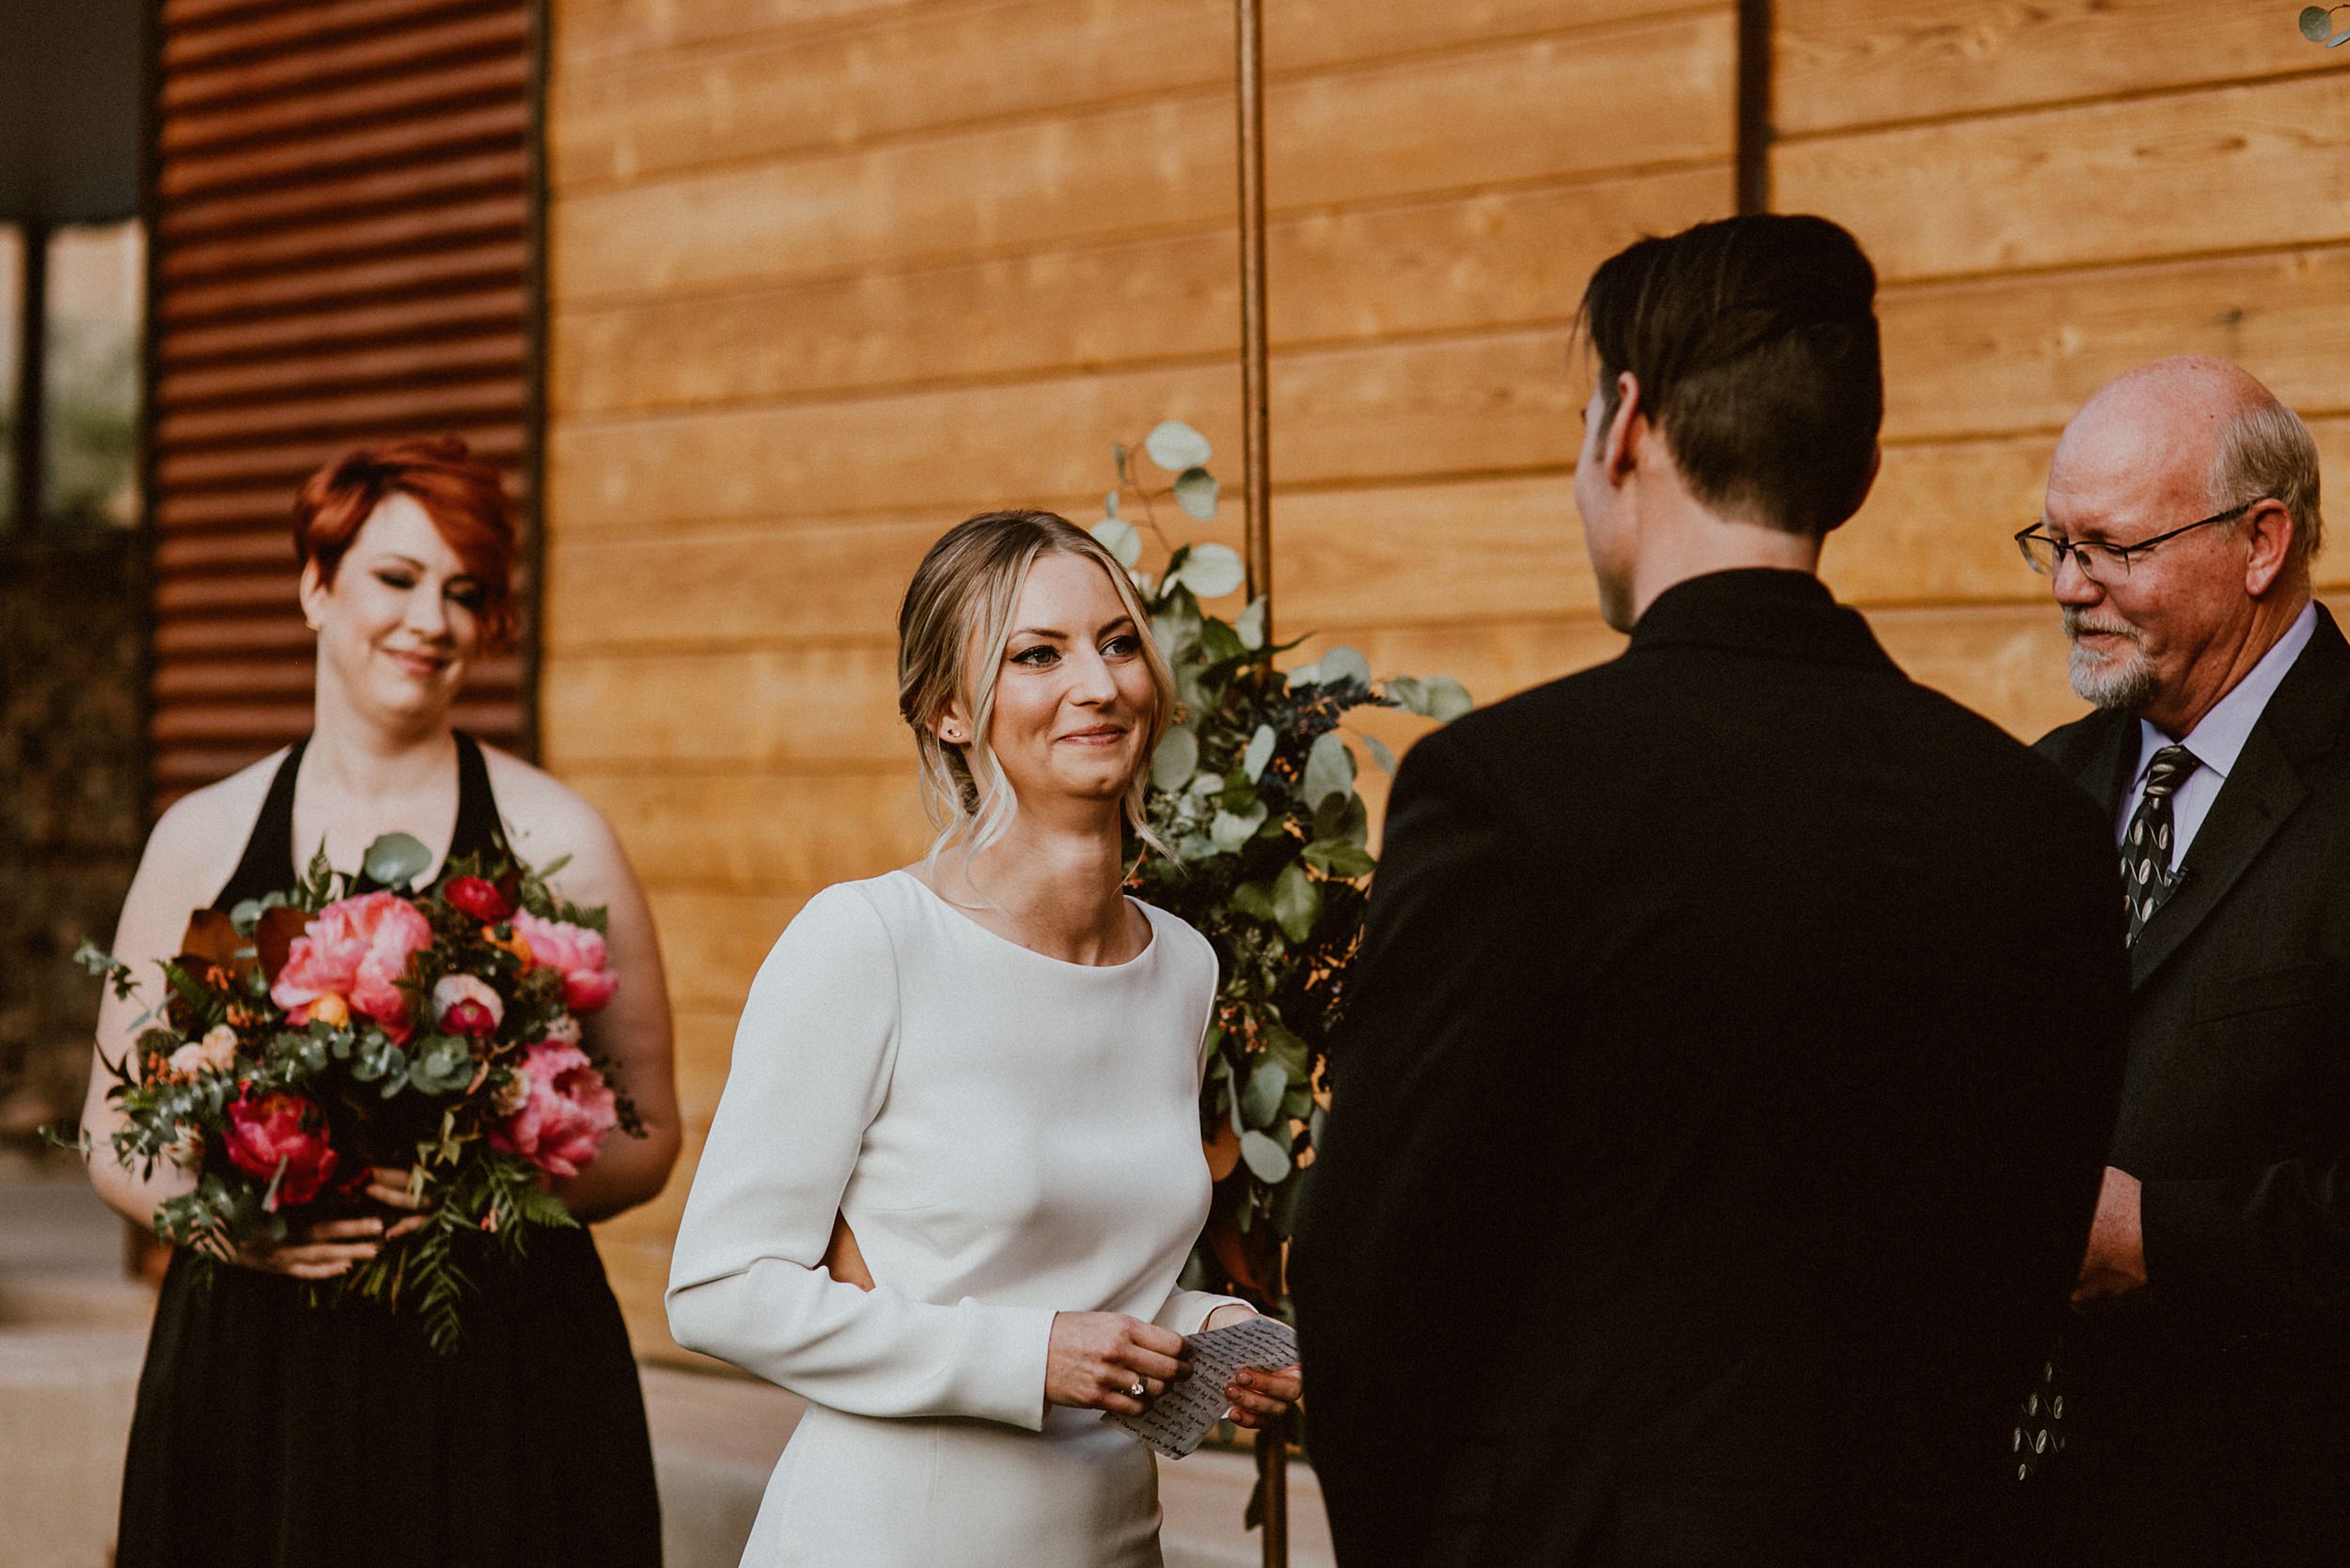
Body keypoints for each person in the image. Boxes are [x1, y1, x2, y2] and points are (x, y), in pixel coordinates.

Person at [1291, 214, 2131, 1568]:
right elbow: (2026, 1262)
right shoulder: (2037, 824)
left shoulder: (1507, 792)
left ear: (1624, 425)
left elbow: (1372, 1278)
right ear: (1855, 470)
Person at [82, 436, 681, 1568]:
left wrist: (493, 1189)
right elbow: (116, 1130)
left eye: (465, 593)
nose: (432, 621)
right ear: (316, 586)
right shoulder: (204, 841)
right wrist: (234, 1230)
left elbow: (647, 1133)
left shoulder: (562, 842)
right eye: (397, 580)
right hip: (257, 1369)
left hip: (503, 1368)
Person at [666, 510, 1301, 1568]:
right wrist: (1024, 1355)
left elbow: (1076, 1270)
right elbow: (720, 1289)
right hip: (887, 1535)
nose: (1098, 684)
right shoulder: (869, 942)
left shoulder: (1182, 967)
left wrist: (1207, 1330)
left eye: (1117, 642)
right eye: (1038, 655)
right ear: (950, 711)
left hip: (1110, 1535)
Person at [2017, 357, 2350, 1565]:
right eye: (2052, 544)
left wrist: (2159, 1240)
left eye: (2109, 548)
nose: (2067, 586)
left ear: (2261, 542)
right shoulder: (2041, 788)